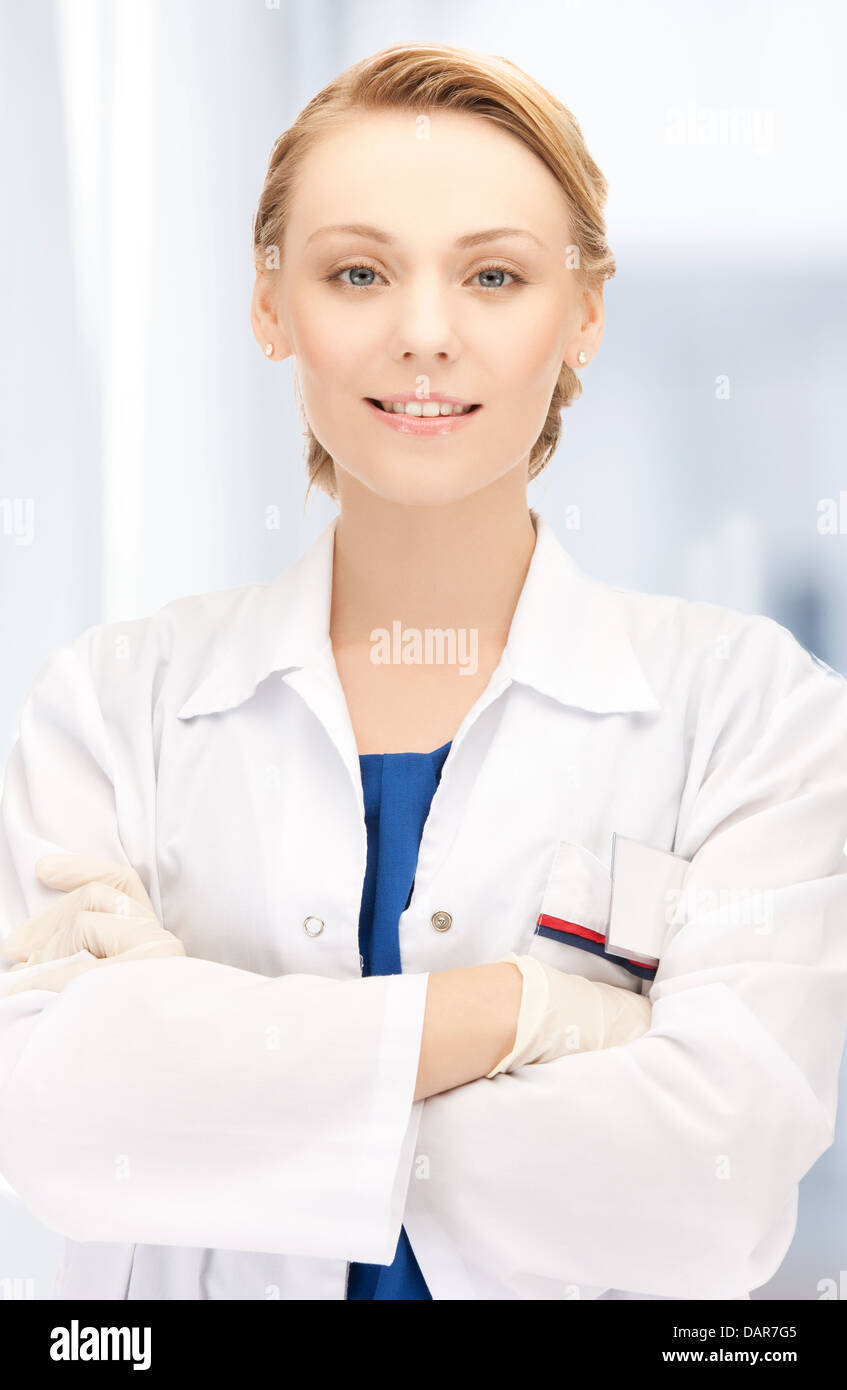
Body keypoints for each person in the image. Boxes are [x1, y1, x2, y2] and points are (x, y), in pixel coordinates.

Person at [1, 41, 846, 1302]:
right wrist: (524, 1014)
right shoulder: (111, 706)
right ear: (271, 303)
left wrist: (202, 1056)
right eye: (358, 272)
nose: (425, 335)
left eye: (495, 275)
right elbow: (57, 1131)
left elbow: (710, 1190)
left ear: (585, 314)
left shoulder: (756, 715)